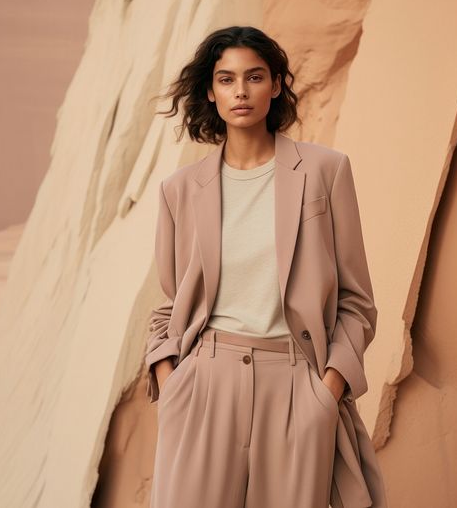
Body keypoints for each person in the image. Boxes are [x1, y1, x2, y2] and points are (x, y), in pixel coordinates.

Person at [145, 25, 388, 508]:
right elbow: (171, 306)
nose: (241, 91)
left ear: (276, 85)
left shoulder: (325, 170)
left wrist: (328, 390)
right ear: (210, 93)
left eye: (254, 77)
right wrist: (171, 383)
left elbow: (357, 302)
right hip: (203, 385)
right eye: (226, 79)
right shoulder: (180, 189)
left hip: (297, 382)